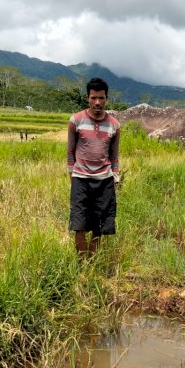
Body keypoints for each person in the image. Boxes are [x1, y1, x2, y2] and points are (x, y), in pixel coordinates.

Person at [66, 77, 121, 258]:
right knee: (79, 222)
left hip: (104, 180)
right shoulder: (76, 120)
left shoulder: (114, 125)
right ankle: (82, 265)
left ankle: (92, 263)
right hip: (80, 179)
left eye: (101, 98)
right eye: (93, 98)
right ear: (87, 98)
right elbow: (70, 152)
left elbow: (114, 156)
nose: (97, 102)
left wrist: (116, 177)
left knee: (100, 223)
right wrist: (72, 175)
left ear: (106, 98)